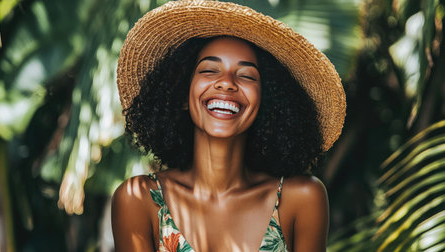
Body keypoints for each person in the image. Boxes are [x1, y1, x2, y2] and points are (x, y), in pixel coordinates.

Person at [112, 1, 346, 251]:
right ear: (181, 95)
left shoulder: (301, 198)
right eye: (210, 70)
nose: (227, 83)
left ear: (268, 103)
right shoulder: (138, 200)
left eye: (246, 75)